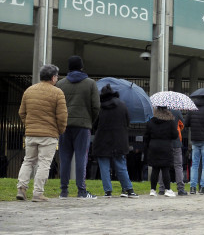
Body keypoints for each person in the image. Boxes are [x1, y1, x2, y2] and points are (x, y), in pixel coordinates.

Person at [16, 64, 68, 202]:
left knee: (28, 161)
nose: (57, 78)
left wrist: (29, 125)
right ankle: (38, 193)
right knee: (44, 163)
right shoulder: (58, 93)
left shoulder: (29, 91)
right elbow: (62, 116)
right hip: (49, 134)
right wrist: (60, 130)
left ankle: (21, 188)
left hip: (31, 134)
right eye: (57, 76)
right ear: (52, 77)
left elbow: (22, 112)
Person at [57, 55, 100, 199]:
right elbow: (96, 106)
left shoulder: (61, 84)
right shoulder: (90, 83)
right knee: (82, 158)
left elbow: (56, 106)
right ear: (82, 67)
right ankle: (81, 191)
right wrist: (89, 121)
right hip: (83, 126)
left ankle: (63, 191)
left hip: (64, 126)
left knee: (64, 158)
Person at [92, 84, 139, 198]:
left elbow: (95, 125)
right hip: (119, 140)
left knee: (104, 167)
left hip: (102, 140)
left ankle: (108, 191)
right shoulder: (122, 105)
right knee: (121, 165)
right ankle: (129, 190)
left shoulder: (100, 107)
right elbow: (128, 122)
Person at [144, 107, 178, 197]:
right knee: (165, 169)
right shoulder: (170, 122)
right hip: (166, 146)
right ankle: (168, 189)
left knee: (155, 169)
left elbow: (146, 136)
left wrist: (148, 146)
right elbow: (175, 135)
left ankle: (152, 190)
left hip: (154, 146)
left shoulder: (151, 121)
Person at [158, 110, 188, 196]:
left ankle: (161, 188)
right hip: (176, 142)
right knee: (178, 165)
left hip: (163, 142)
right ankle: (180, 188)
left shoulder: (160, 112)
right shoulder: (177, 112)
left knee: (162, 165)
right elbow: (182, 124)